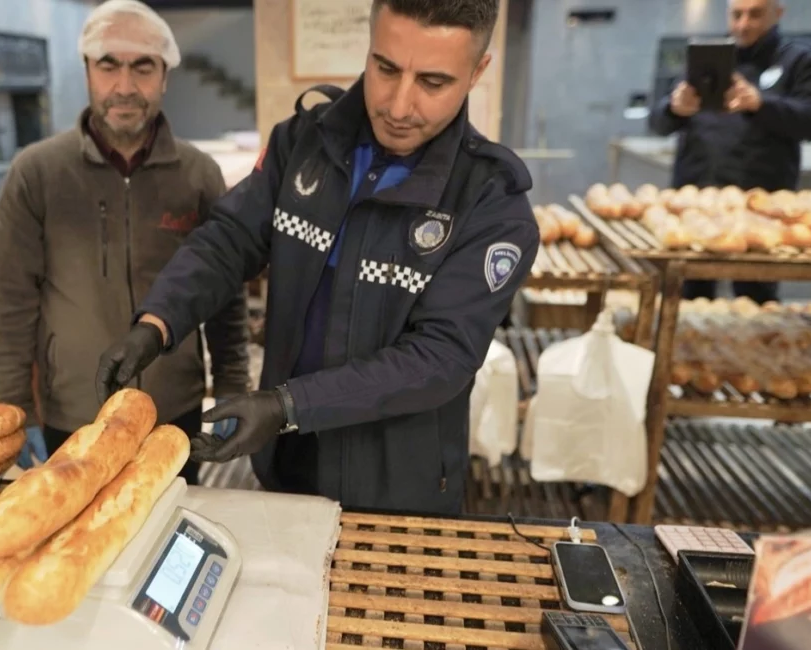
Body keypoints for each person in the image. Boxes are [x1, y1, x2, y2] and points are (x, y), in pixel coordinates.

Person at [96, 0, 538, 516]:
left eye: (432, 82)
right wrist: (157, 322)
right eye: (386, 68)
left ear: (477, 71)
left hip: (397, 491)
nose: (399, 106)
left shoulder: (491, 204)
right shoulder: (306, 142)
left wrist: (288, 405)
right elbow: (230, 238)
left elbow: (439, 357)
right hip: (287, 465)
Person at [0, 0, 250, 483]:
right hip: (76, 415)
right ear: (87, 70)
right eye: (109, 65)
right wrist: (15, 408)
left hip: (174, 413)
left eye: (143, 67)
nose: (124, 87)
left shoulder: (198, 175)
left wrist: (232, 384)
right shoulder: (37, 173)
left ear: (165, 76)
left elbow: (224, 295)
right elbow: (8, 303)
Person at [650, 0, 811, 304]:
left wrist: (762, 104)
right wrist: (673, 109)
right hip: (696, 202)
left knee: (756, 300)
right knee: (687, 298)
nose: (743, 24)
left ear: (778, 13)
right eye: (737, 15)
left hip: (762, 206)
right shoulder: (705, 57)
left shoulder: (802, 59)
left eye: (755, 14)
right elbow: (657, 122)